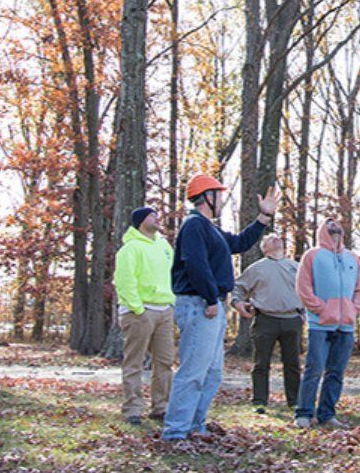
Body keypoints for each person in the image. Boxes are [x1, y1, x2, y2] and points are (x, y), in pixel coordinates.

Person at [161, 176, 279, 441]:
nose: (223, 199)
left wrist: (263, 218)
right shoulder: (193, 225)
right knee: (193, 371)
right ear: (207, 196)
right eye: (220, 194)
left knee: (211, 373)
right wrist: (211, 298)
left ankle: (194, 426)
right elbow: (195, 264)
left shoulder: (209, 228)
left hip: (211, 304)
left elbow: (238, 243)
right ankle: (175, 432)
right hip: (200, 304)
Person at [293, 219, 360, 429]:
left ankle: (327, 414)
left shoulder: (352, 257)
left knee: (336, 372)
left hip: (346, 326)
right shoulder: (312, 256)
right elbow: (303, 288)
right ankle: (304, 413)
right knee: (314, 369)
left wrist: (355, 309)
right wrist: (322, 308)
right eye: (330, 227)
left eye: (337, 228)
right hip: (320, 324)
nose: (334, 230)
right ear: (323, 231)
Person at [113, 206, 176, 425]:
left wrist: (170, 303)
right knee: (135, 362)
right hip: (140, 312)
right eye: (152, 216)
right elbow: (124, 281)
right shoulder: (130, 249)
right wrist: (137, 308)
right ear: (141, 221)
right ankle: (132, 408)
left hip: (164, 310)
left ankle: (161, 407)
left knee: (165, 362)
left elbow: (172, 273)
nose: (157, 218)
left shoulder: (164, 246)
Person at [234, 234, 304, 414]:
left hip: (292, 320)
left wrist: (305, 313)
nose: (275, 239)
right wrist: (238, 303)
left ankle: (294, 401)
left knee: (293, 363)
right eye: (270, 239)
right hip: (265, 319)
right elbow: (238, 288)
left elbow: (309, 290)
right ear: (263, 248)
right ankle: (259, 401)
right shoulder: (256, 268)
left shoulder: (296, 267)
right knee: (261, 363)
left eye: (277, 238)